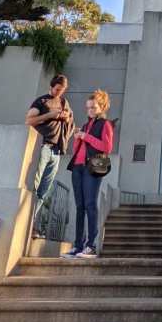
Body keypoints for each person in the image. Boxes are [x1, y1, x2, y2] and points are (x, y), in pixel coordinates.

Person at [62, 89, 114, 259]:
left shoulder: (105, 124)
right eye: (88, 108)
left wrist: (86, 136)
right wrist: (78, 137)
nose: (89, 110)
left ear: (102, 107)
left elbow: (106, 148)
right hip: (77, 167)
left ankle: (90, 246)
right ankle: (77, 246)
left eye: (93, 107)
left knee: (91, 204)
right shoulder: (85, 125)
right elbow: (77, 149)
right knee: (79, 207)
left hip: (93, 166)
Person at [25, 74, 74, 235]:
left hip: (57, 151)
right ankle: (25, 222)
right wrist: (50, 115)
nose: (60, 92)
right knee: (34, 186)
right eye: (58, 89)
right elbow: (29, 120)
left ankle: (32, 222)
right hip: (44, 147)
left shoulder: (64, 103)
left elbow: (71, 124)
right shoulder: (42, 101)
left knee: (44, 191)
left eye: (63, 90)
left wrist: (66, 119)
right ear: (52, 87)